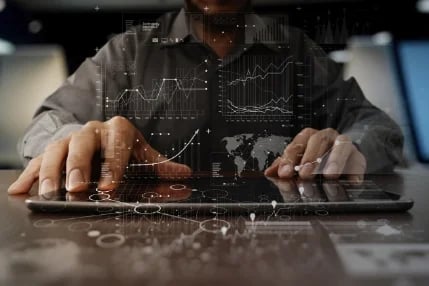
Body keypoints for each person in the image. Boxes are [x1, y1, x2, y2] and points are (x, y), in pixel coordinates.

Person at [8, 0, 403, 195]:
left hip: (277, 245)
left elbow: (376, 126)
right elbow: (47, 123)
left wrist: (351, 148)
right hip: (145, 245)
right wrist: (77, 140)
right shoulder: (127, 51)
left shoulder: (298, 53)